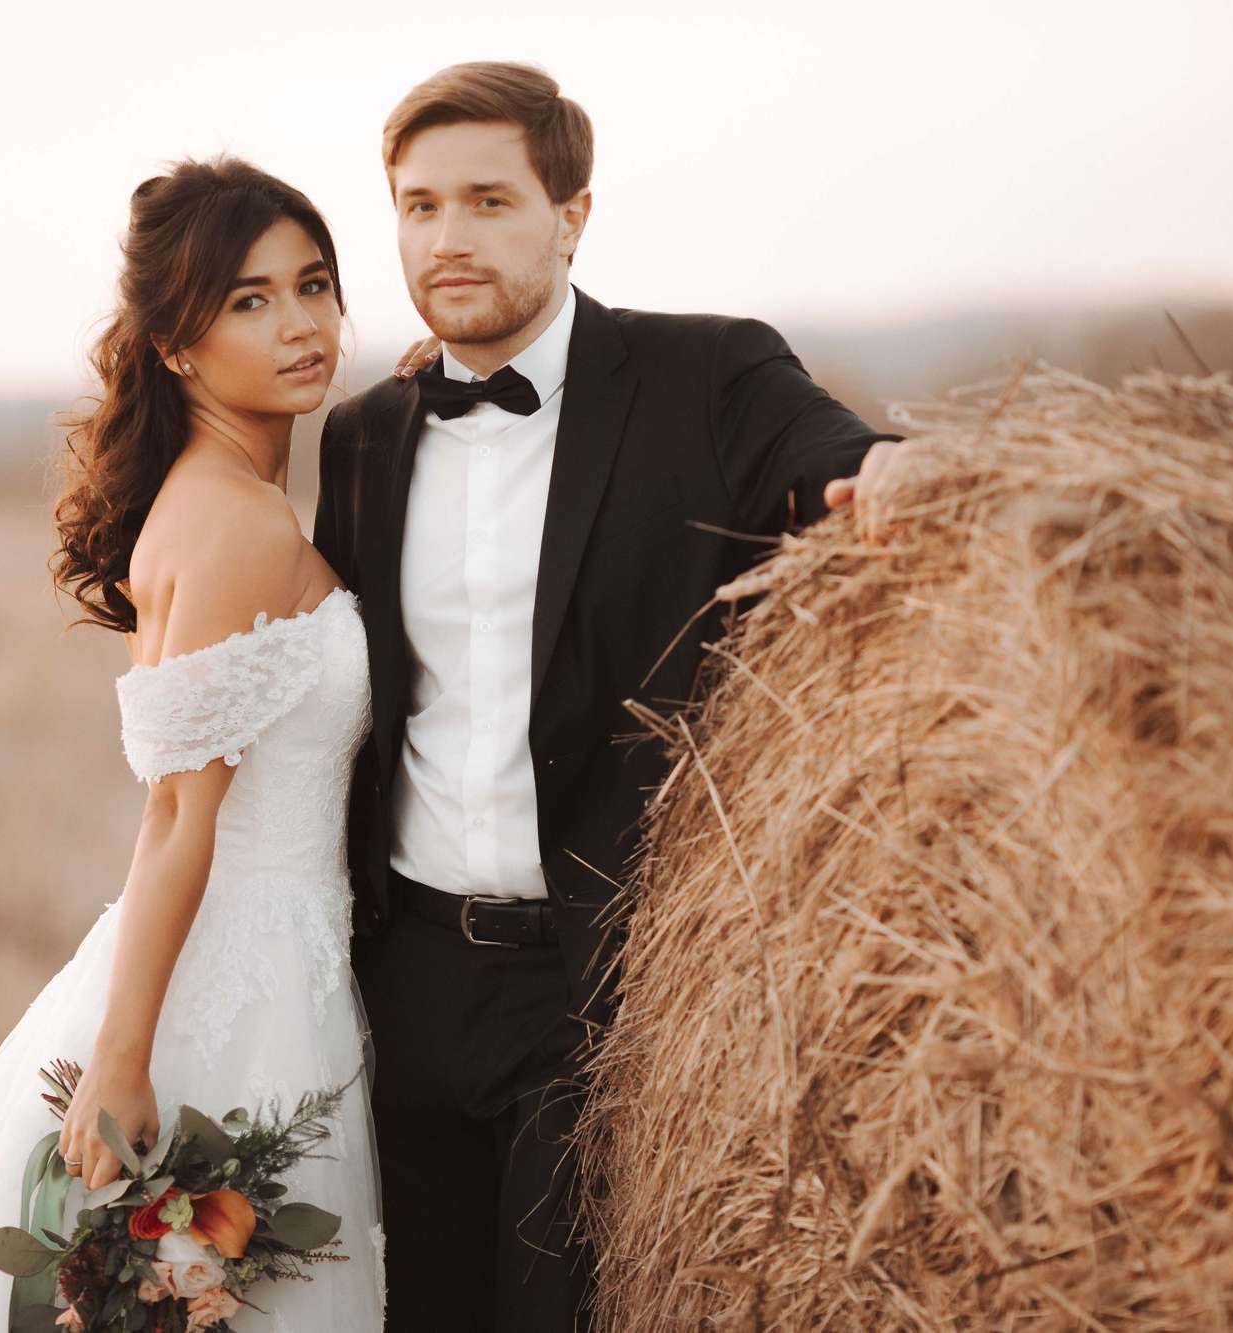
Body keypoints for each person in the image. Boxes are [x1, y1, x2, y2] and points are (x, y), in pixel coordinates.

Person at [313, 61, 907, 1332]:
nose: (447, 237)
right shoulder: (363, 433)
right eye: (418, 207)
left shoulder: (707, 379)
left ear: (571, 215)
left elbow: (829, 457)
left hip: (592, 988)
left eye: (485, 200)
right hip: (401, 977)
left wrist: (888, 478)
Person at [0, 157, 386, 1331]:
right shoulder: (234, 519)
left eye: (312, 284)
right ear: (175, 343)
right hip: (249, 978)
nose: (300, 324)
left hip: (263, 950)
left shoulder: (214, 492)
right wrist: (124, 1061)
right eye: (249, 301)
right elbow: (177, 813)